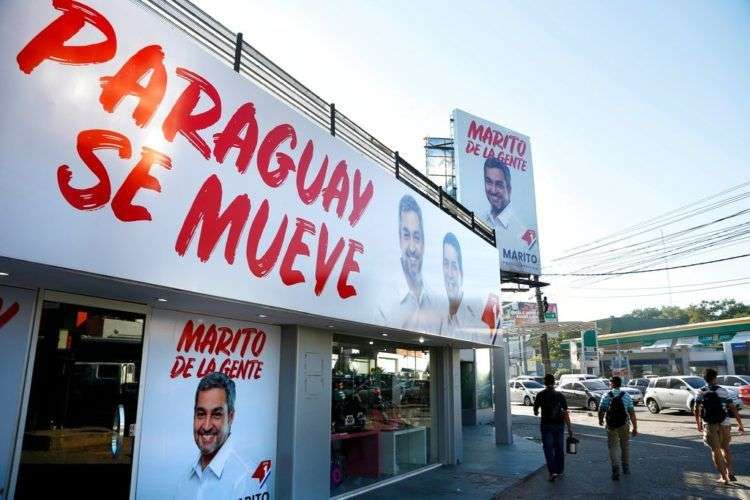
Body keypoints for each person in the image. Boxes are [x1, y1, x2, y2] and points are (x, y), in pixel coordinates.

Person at [175, 372, 258, 499]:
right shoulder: (185, 479)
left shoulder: (247, 479)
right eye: (201, 414)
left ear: (230, 417)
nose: (207, 426)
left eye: (216, 414)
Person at [391, 194, 438, 331]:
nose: (412, 247)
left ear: (423, 243)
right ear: (400, 239)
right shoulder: (385, 303)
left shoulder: (434, 299)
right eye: (406, 235)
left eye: (416, 237)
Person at [694, 368, 745, 484]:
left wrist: (698, 424)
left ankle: (724, 477)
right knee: (726, 448)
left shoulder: (700, 392)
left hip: (710, 425)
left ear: (705, 379)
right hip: (725, 423)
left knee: (716, 451)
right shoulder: (723, 391)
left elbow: (696, 409)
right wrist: (740, 424)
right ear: (715, 378)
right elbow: (732, 408)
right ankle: (730, 471)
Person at [533, 374, 573, 482]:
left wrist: (539, 411)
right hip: (559, 426)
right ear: (554, 382)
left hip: (546, 426)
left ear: (544, 383)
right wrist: (569, 428)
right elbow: (565, 413)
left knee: (548, 449)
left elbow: (536, 411)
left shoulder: (540, 395)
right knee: (559, 448)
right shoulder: (560, 395)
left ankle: (552, 472)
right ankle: (560, 470)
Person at [598, 376, 638, 481]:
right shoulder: (626, 396)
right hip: (624, 424)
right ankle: (626, 467)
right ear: (620, 384)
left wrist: (601, 420)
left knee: (613, 447)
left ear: (612, 384)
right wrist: (635, 428)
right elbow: (632, 413)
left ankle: (615, 468)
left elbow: (601, 410)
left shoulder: (606, 396)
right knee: (625, 445)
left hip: (611, 425)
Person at [439, 232, 476, 336]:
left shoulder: (473, 321)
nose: (449, 273)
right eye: (446, 264)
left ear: (462, 273)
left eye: (454, 266)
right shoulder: (440, 318)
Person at [482, 158, 525, 239]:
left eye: (499, 184)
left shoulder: (521, 234)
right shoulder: (481, 220)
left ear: (509, 190)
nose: (493, 190)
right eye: (489, 182)